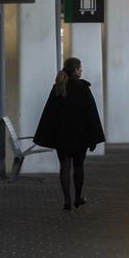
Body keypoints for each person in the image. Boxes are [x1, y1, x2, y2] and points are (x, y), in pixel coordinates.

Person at [33, 58, 105, 210]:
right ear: (75, 70)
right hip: (80, 137)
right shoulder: (83, 89)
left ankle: (67, 200)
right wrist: (93, 138)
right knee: (78, 166)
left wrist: (49, 135)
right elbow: (91, 114)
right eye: (80, 68)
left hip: (62, 137)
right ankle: (77, 198)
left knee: (64, 167)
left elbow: (49, 113)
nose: (81, 71)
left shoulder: (58, 87)